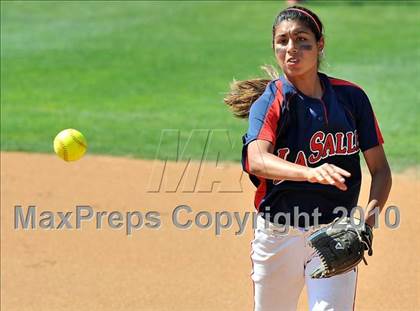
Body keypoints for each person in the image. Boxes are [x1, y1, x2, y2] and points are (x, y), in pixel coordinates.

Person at [224, 6, 392, 311]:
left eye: (302, 40)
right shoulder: (271, 102)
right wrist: (310, 172)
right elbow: (257, 159)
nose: (291, 49)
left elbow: (380, 170)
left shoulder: (352, 98)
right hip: (278, 236)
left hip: (334, 233)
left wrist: (367, 226)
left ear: (320, 45)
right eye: (282, 41)